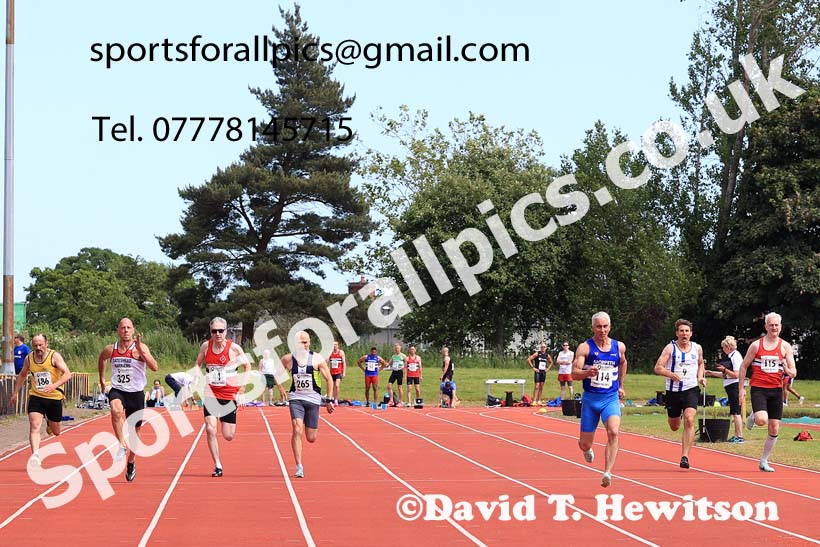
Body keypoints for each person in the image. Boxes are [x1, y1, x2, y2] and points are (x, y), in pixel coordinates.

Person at [98, 317, 158, 482]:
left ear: (133, 330)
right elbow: (102, 359)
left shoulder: (140, 348)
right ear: (118, 330)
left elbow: (155, 367)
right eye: (122, 327)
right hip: (118, 390)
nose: (125, 330)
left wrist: (142, 352)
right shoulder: (111, 349)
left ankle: (131, 462)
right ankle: (122, 445)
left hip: (136, 393)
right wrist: (102, 379)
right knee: (115, 410)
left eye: (128, 327)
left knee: (135, 432)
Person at [572, 311, 627, 488]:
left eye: (605, 326)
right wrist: (586, 373)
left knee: (614, 431)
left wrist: (621, 385)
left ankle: (607, 472)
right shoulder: (585, 348)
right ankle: (586, 448)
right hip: (590, 400)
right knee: (584, 443)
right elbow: (574, 373)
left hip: (610, 398)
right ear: (592, 328)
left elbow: (623, 363)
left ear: (610, 327)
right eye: (598, 327)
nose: (602, 330)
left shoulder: (619, 347)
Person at [738, 312, 797, 472]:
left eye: (776, 325)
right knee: (762, 420)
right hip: (759, 388)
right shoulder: (756, 345)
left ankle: (764, 460)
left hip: (776, 390)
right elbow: (743, 366)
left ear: (780, 327)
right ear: (766, 326)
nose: (774, 327)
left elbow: (793, 371)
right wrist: (741, 388)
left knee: (774, 428)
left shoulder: (785, 346)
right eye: (771, 325)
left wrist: (788, 371)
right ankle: (755, 415)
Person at [195, 317, 250, 477]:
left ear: (226, 331)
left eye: (220, 331)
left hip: (229, 394)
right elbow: (198, 364)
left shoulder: (235, 349)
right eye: (214, 331)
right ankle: (217, 465)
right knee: (210, 428)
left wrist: (242, 389)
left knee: (228, 435)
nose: (217, 334)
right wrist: (198, 377)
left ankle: (224, 418)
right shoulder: (206, 346)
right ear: (210, 332)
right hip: (211, 393)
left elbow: (247, 366)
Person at [8, 334, 71, 467]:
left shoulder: (54, 356)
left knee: (56, 432)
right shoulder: (29, 358)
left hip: (54, 396)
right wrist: (15, 393)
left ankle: (49, 421)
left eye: (40, 345)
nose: (38, 348)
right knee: (34, 425)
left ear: (46, 344)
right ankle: (35, 456)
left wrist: (54, 386)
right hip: (36, 396)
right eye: (35, 345)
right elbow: (23, 374)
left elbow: (67, 374)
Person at [280, 330, 334, 478]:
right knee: (297, 429)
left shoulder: (317, 359)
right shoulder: (288, 359)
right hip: (296, 398)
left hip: (313, 400)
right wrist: (281, 388)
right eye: (300, 342)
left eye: (306, 342)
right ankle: (299, 466)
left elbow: (329, 379)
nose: (304, 345)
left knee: (311, 438)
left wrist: (329, 400)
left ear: (309, 342)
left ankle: (307, 423)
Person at [653, 319, 705, 469]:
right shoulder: (670, 348)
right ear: (677, 333)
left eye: (687, 331)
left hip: (691, 389)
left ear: (691, 333)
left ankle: (685, 457)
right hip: (673, 392)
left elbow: (701, 363)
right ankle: (676, 416)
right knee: (674, 426)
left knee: (689, 419)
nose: (684, 334)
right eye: (681, 331)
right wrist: (670, 374)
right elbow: (658, 367)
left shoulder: (697, 348)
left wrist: (700, 377)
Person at [705, 336, 744, 443]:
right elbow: (727, 375)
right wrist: (711, 373)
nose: (723, 349)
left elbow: (736, 374)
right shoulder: (731, 356)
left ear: (728, 347)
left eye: (724, 347)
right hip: (730, 386)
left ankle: (739, 436)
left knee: (736, 412)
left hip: (734, 386)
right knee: (734, 411)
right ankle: (737, 435)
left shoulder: (735, 356)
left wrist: (724, 370)